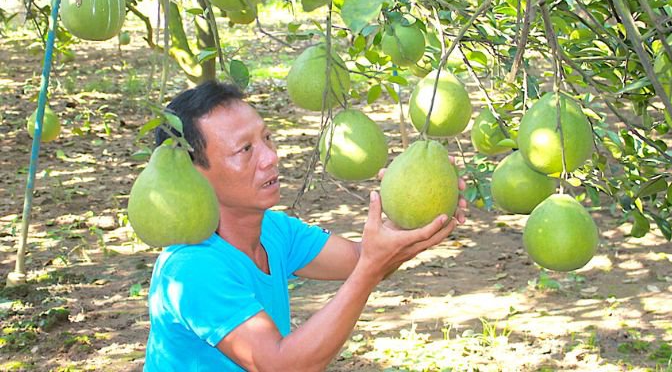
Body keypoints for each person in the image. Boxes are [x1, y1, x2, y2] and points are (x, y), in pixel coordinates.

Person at [143, 80, 467, 371]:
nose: (271, 157)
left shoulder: (273, 230)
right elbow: (281, 366)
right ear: (195, 172)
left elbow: (360, 258)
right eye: (245, 149)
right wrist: (370, 268)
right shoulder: (190, 267)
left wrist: (411, 216)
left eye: (267, 137)